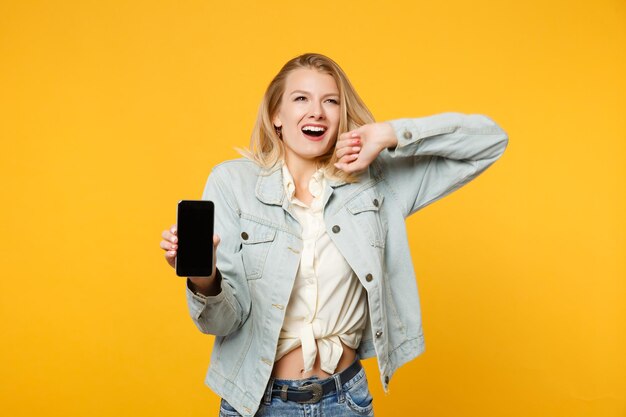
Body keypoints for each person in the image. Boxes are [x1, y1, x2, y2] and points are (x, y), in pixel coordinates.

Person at [160, 53, 508, 416]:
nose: (317, 112)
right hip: (255, 403)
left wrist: (387, 134)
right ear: (276, 115)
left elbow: (489, 142)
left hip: (345, 401)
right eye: (301, 99)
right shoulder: (233, 184)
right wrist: (204, 277)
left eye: (331, 101)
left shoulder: (374, 182)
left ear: (342, 115)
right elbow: (221, 323)